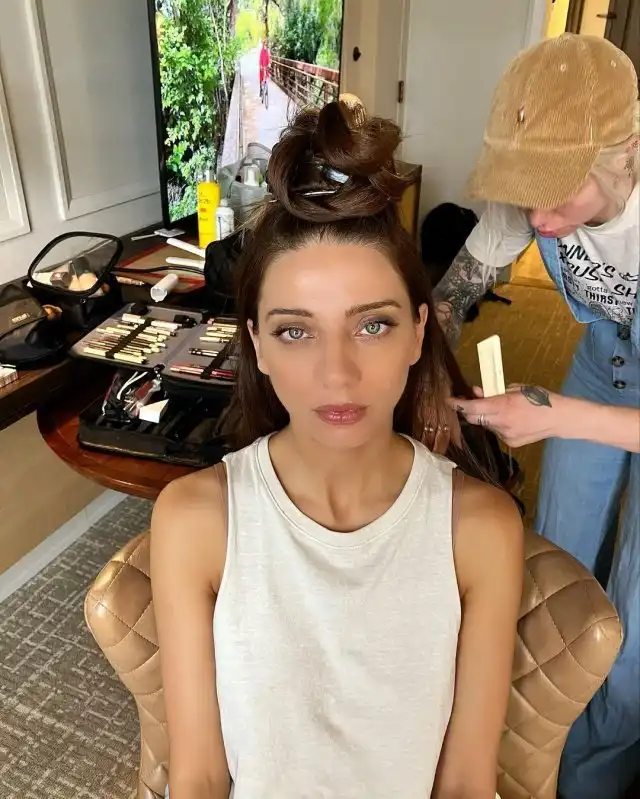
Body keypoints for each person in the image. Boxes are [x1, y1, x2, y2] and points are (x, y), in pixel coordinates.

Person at [151, 99, 524, 799]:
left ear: (419, 332)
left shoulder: (479, 531)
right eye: (296, 331)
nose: (337, 374)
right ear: (258, 345)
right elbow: (197, 777)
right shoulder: (195, 521)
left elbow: (467, 783)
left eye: (372, 325)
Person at [433, 34, 639, 799]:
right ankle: (529, 750)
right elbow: (451, 296)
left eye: (559, 194)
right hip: (605, 358)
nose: (540, 217)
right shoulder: (530, 196)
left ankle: (590, 776)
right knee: (554, 569)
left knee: (634, 625)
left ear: (626, 157)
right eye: (527, 193)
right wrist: (428, 370)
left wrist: (554, 417)